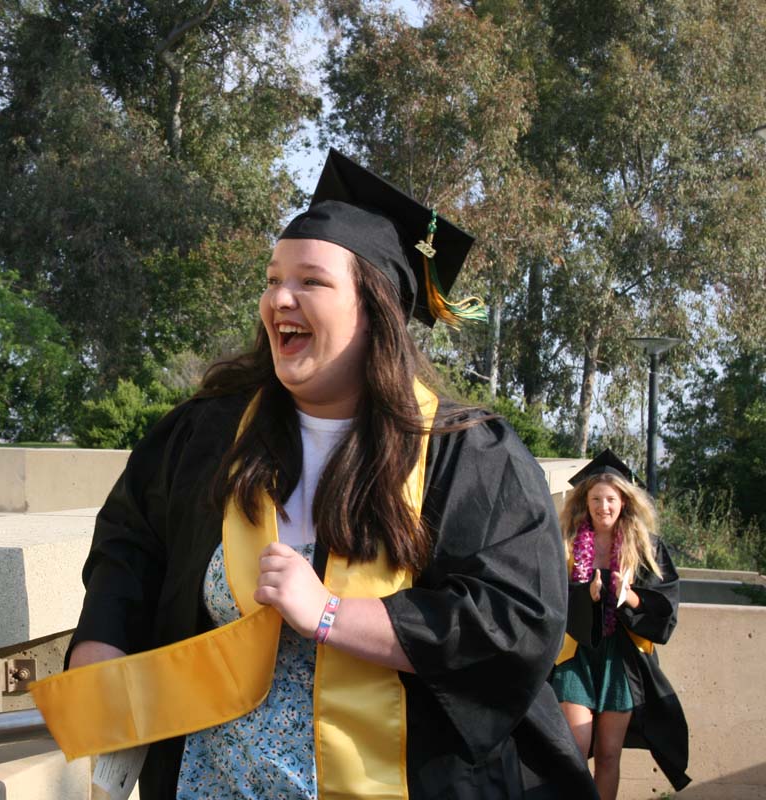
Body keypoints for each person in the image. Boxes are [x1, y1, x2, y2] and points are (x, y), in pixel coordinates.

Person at [31, 149, 596, 799]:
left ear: (374, 308)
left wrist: (328, 614)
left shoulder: (470, 458)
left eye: (311, 281)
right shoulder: (207, 435)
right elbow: (131, 543)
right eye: (272, 280)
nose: (279, 298)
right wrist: (103, 640)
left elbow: (512, 623)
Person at [552, 451, 691, 798]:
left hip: (622, 659)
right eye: (595, 498)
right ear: (584, 502)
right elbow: (549, 597)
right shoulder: (566, 545)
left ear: (624, 501)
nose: (603, 507)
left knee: (609, 753)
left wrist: (627, 597)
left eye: (611, 499)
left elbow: (664, 608)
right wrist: (587, 596)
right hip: (576, 654)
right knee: (575, 747)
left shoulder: (645, 548)